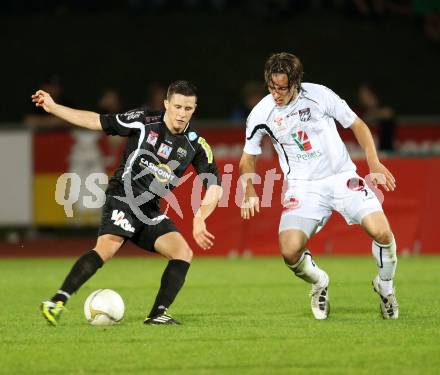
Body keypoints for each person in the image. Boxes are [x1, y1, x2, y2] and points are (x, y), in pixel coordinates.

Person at [33, 80, 223, 325]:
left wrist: (200, 217)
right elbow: (96, 121)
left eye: (188, 108)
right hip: (122, 197)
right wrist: (54, 107)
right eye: (177, 106)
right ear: (166, 104)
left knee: (182, 253)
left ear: (194, 109)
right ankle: (57, 301)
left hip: (149, 210)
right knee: (107, 249)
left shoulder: (196, 144)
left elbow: (215, 187)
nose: (181, 113)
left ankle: (157, 314)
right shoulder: (144, 121)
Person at [239, 52, 398, 320]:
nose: (276, 93)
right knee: (290, 251)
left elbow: (357, 125)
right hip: (302, 187)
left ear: (296, 82)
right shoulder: (261, 113)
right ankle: (319, 281)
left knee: (382, 233)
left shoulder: (320, 95)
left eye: (282, 87)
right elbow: (247, 159)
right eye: (271, 87)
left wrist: (373, 163)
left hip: (341, 177)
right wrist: (250, 190)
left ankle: (385, 286)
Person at [357, 83, 396, 152]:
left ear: (374, 94)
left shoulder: (385, 111)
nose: (363, 97)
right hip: (365, 152)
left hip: (385, 153)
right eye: (361, 95)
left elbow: (388, 113)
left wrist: (374, 112)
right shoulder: (359, 112)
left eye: (366, 94)